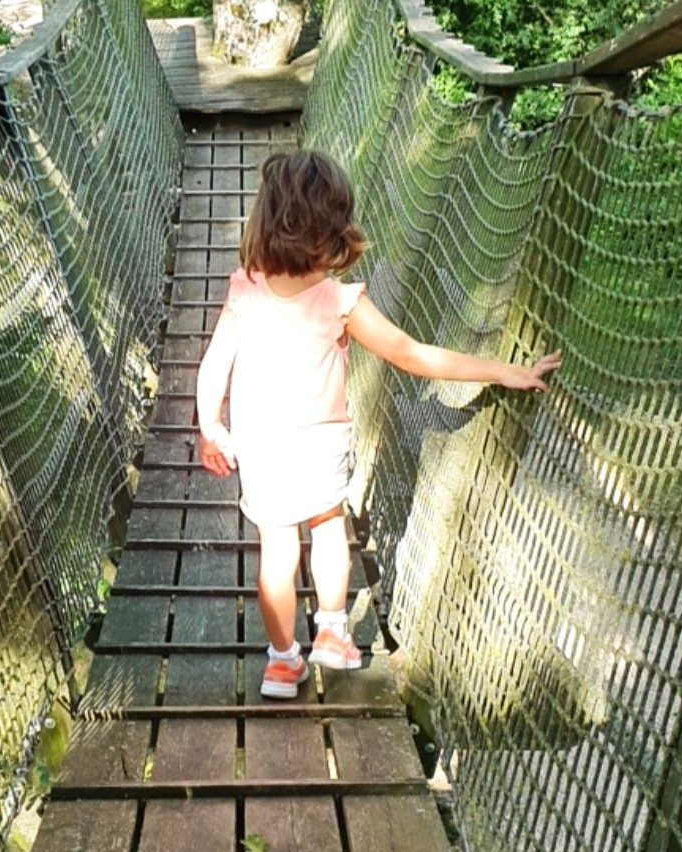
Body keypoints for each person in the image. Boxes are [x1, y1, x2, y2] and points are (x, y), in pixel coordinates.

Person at [196, 150, 561, 699]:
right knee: (326, 531)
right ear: (333, 228)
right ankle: (333, 632)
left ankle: (280, 663)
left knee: (277, 550)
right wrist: (503, 371)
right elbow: (410, 354)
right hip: (320, 443)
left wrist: (209, 425)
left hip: (263, 446)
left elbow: (214, 364)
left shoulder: (245, 288)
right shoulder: (339, 300)